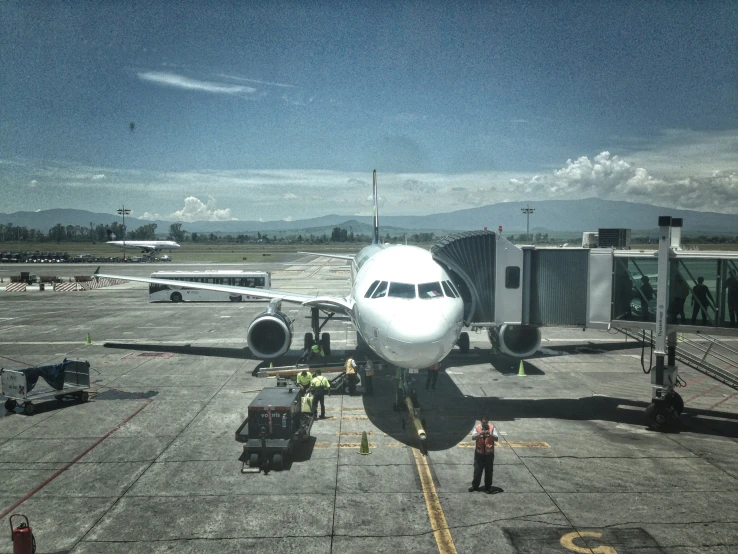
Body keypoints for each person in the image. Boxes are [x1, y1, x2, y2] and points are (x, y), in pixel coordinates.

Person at [469, 417, 498, 494]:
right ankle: (475, 486)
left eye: (486, 422)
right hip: (479, 454)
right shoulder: (477, 428)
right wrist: (480, 434)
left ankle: (488, 487)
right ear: (481, 422)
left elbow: (496, 438)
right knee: (477, 471)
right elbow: (473, 437)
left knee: (489, 471)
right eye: (483, 422)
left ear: (488, 422)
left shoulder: (492, 428)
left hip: (489, 454)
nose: (484, 424)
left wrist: (490, 435)